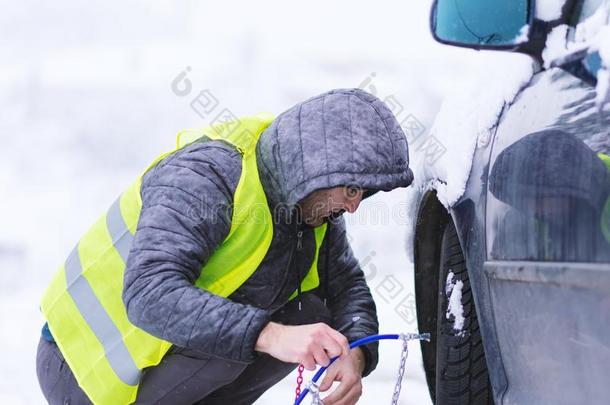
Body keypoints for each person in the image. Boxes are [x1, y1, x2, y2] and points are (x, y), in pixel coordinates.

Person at [36, 88, 414, 405]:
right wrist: (272, 335)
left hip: (165, 362)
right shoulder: (207, 177)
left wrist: (356, 353)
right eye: (351, 189)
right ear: (320, 168)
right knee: (261, 333)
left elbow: (346, 285)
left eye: (362, 193)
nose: (354, 205)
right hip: (83, 369)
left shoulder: (310, 206)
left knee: (308, 315)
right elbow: (148, 293)